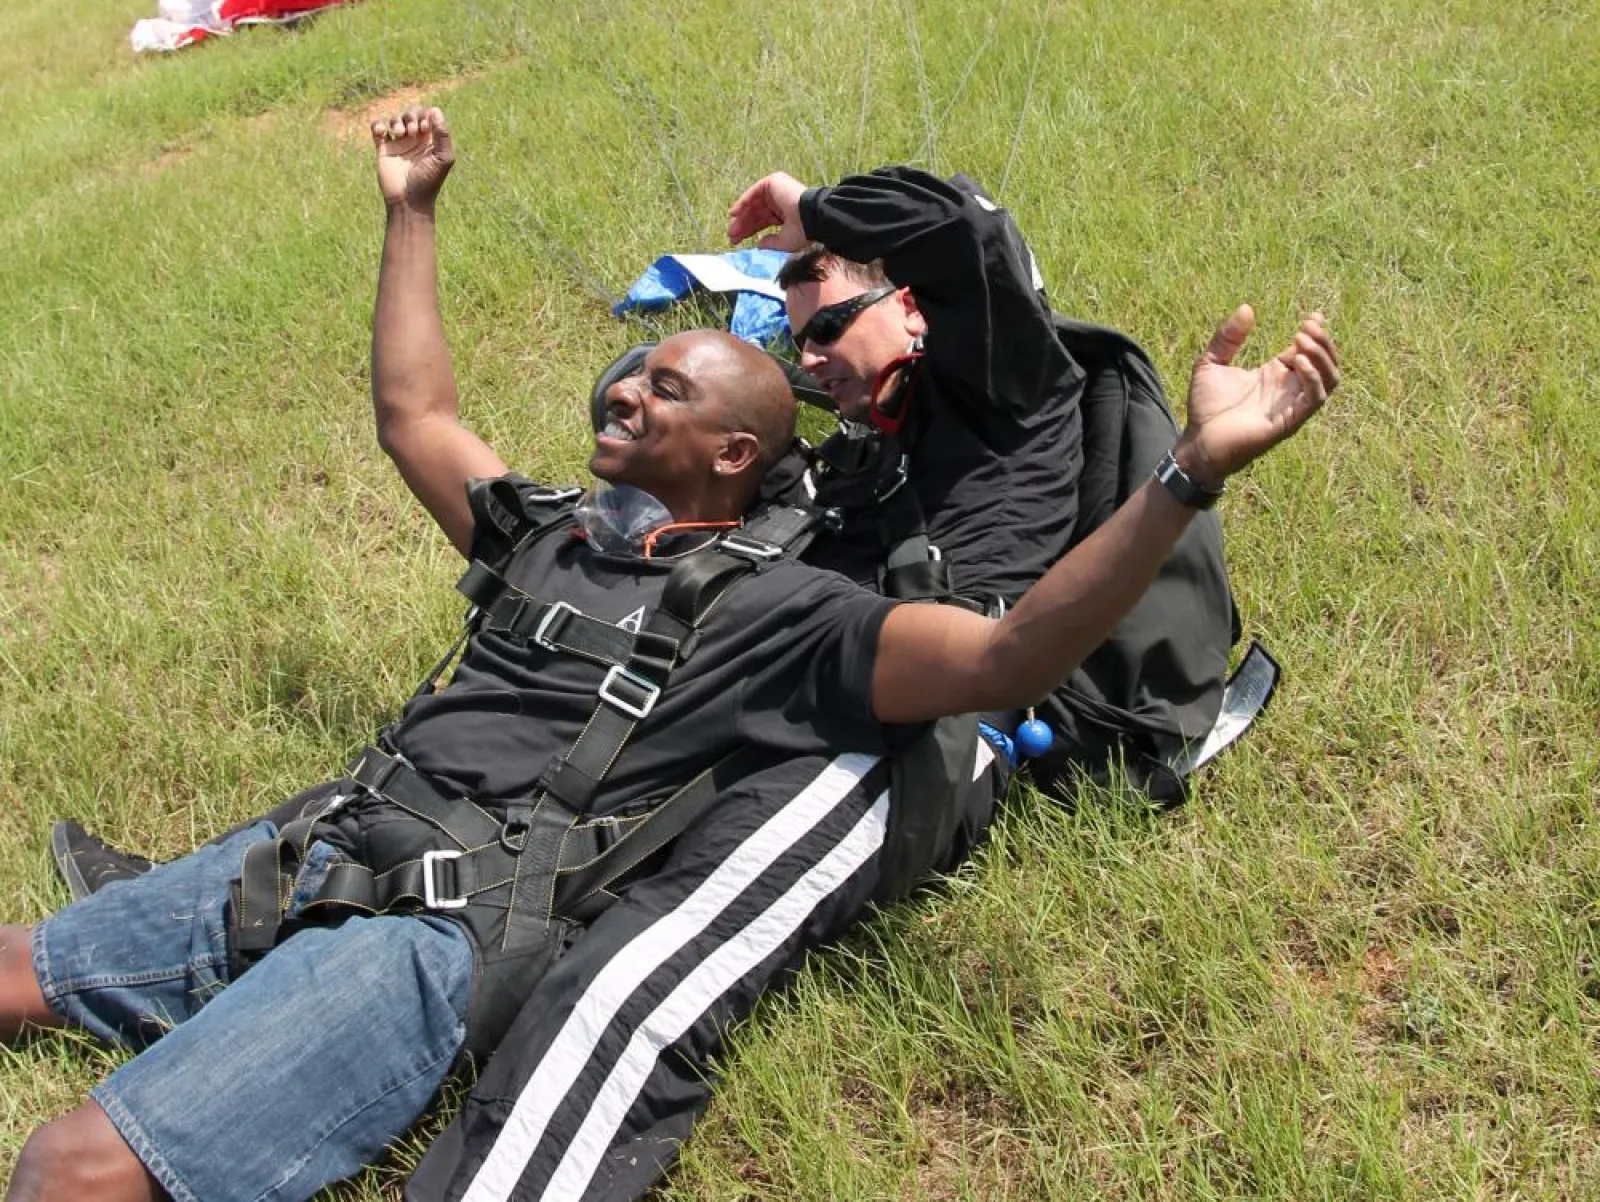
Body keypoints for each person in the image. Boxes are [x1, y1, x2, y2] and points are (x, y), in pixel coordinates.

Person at [4, 108, 1338, 1202]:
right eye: (789, 334)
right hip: (348, 837)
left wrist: (1183, 473)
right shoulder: (611, 525)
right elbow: (416, 414)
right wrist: (412, 208)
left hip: (515, 885)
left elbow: (995, 647)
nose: (624, 389)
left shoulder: (998, 420)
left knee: (640, 968)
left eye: (824, 323)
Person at [728, 166, 1239, 798]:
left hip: (931, 707)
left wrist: (814, 207)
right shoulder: (871, 444)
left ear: (912, 308)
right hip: (816, 665)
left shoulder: (1002, 387)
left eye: (829, 328)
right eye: (801, 340)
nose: (809, 357)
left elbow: (964, 227)